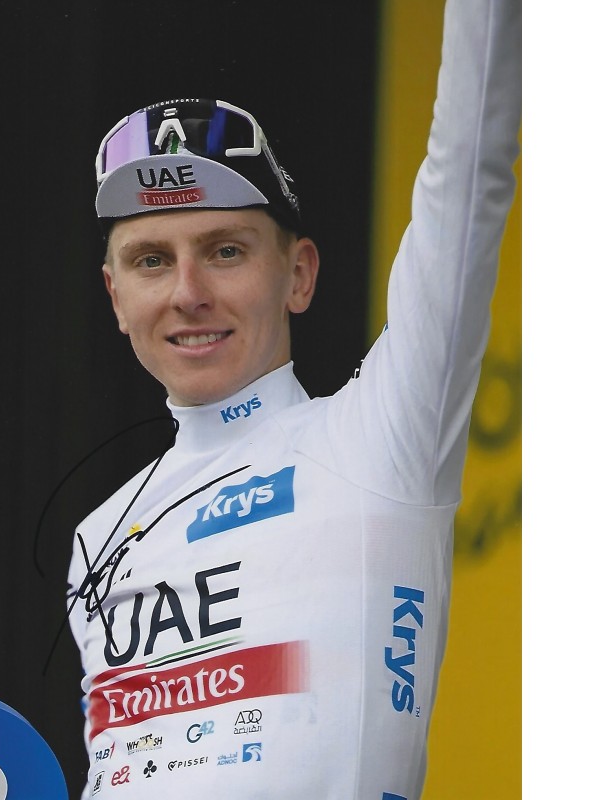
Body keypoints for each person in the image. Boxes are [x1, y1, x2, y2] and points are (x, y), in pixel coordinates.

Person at [66, 0, 521, 797]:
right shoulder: (95, 540)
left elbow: (470, 164)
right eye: (150, 261)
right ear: (115, 297)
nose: (187, 293)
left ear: (299, 275)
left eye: (225, 251)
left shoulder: (378, 439)